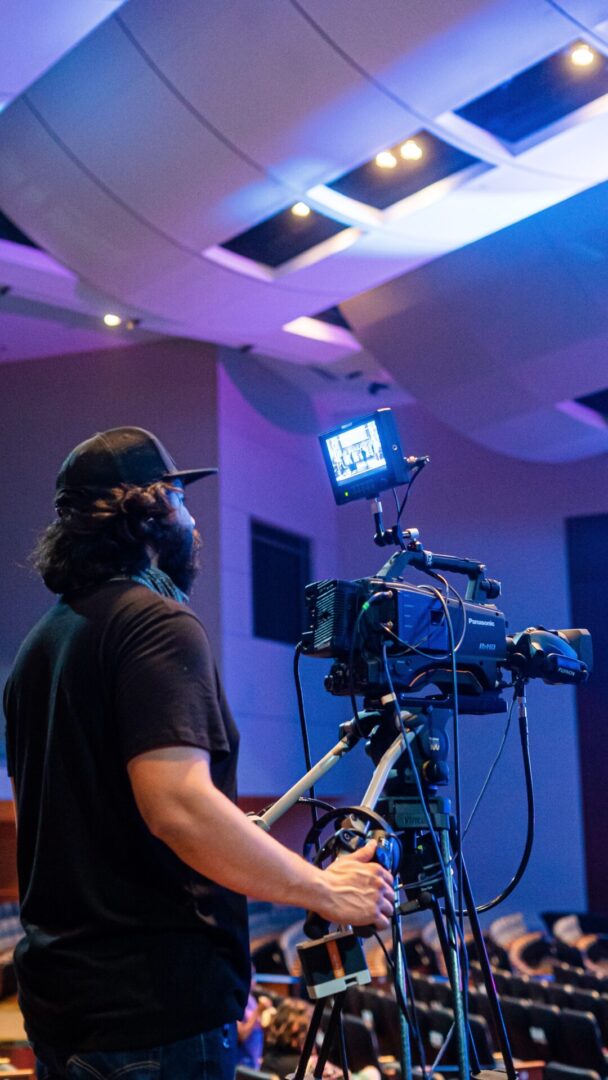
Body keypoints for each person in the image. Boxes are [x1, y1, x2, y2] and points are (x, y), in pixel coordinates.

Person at [3, 427, 394, 1080]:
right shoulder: (157, 625)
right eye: (183, 501)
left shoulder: (40, 647)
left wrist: (219, 829)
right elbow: (178, 809)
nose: (195, 524)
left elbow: (90, 819)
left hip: (68, 1013)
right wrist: (327, 890)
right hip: (154, 1020)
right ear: (151, 512)